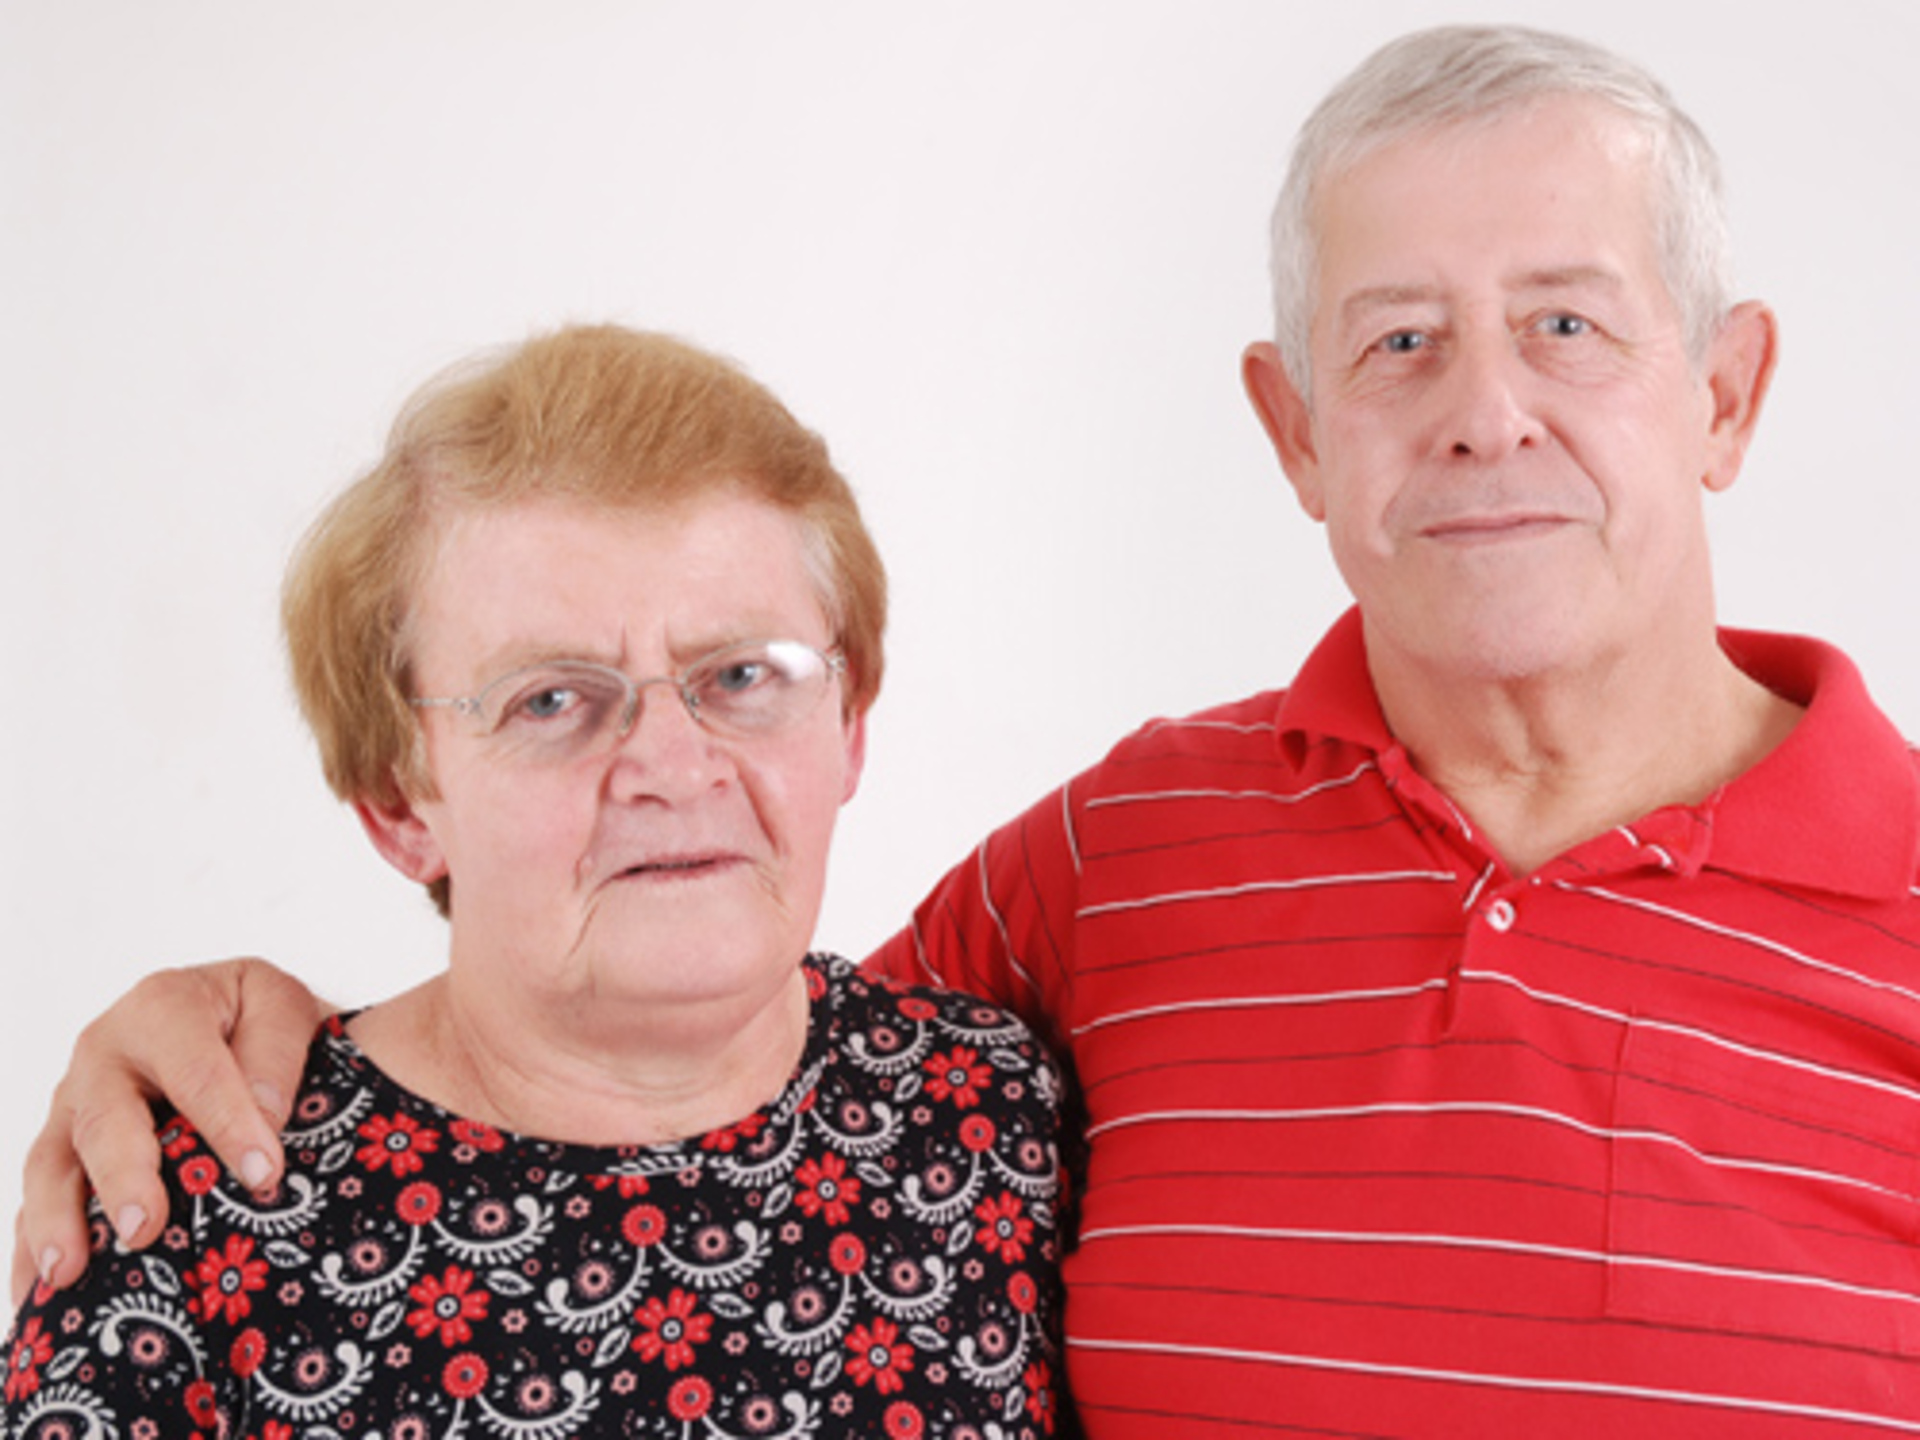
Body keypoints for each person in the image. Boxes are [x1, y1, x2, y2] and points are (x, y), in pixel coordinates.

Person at [15, 21, 1920, 1435]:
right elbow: (676, 1024)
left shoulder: (964, 1122)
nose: (1486, 413)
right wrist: (223, 1028)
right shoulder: (1127, 864)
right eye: (1399, 340)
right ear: (1294, 433)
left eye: (1571, 325)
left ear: (1727, 393)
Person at [0, 325, 1069, 1438]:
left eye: (743, 674)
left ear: (849, 726)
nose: (675, 766)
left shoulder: (994, 1116)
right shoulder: (176, 1223)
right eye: (551, 700)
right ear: (399, 804)